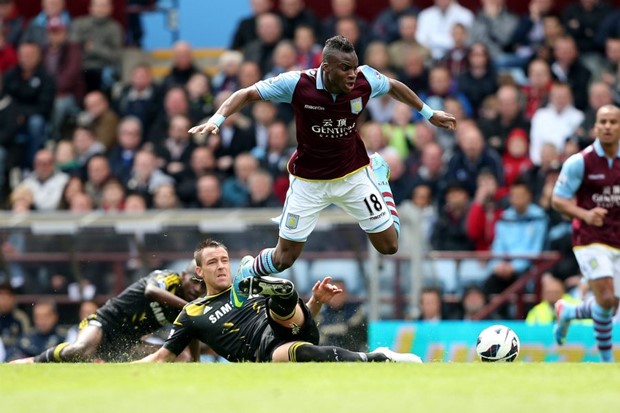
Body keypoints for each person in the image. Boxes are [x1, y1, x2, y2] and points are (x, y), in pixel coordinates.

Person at [189, 35, 456, 308]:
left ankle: (379, 177)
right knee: (283, 260)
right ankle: (249, 269)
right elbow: (246, 93)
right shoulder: (297, 84)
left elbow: (394, 87)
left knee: (389, 246)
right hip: (309, 182)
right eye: (345, 68)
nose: (352, 74)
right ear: (325, 67)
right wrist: (216, 119)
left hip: (354, 175)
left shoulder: (366, 79)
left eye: (354, 67)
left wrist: (428, 112)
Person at [137, 239, 421, 363]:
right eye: (213, 262)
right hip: (268, 350)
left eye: (225, 260)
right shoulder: (191, 312)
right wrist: (127, 368)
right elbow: (163, 357)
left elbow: (302, 317)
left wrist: (316, 302)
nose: (221, 266)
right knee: (308, 353)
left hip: (287, 322)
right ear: (199, 271)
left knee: (280, 301)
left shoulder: (246, 289)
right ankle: (381, 357)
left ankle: (278, 288)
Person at [11, 261, 205, 363]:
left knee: (182, 357)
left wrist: (196, 363)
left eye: (202, 287)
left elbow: (192, 330)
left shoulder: (189, 304)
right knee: (79, 350)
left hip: (126, 343)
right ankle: (34, 361)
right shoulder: (168, 278)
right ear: (183, 275)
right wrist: (189, 308)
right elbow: (150, 291)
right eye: (194, 282)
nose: (197, 289)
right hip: (103, 324)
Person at [552, 104, 620, 362]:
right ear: (595, 127)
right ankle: (606, 361)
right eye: (603, 122)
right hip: (590, 237)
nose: (607, 126)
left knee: (610, 305)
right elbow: (558, 200)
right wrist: (585, 214)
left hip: (617, 238)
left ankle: (568, 312)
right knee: (604, 296)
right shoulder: (579, 162)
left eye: (613, 122)